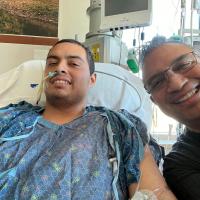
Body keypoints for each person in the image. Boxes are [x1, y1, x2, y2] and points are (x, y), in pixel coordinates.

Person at [0, 39, 176, 200]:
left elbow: (155, 193)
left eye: (73, 64)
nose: (60, 68)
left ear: (92, 80)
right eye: (52, 63)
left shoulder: (119, 127)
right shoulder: (10, 120)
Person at [141, 35, 200, 200]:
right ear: (155, 101)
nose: (176, 84)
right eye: (158, 82)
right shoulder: (180, 165)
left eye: (183, 65)